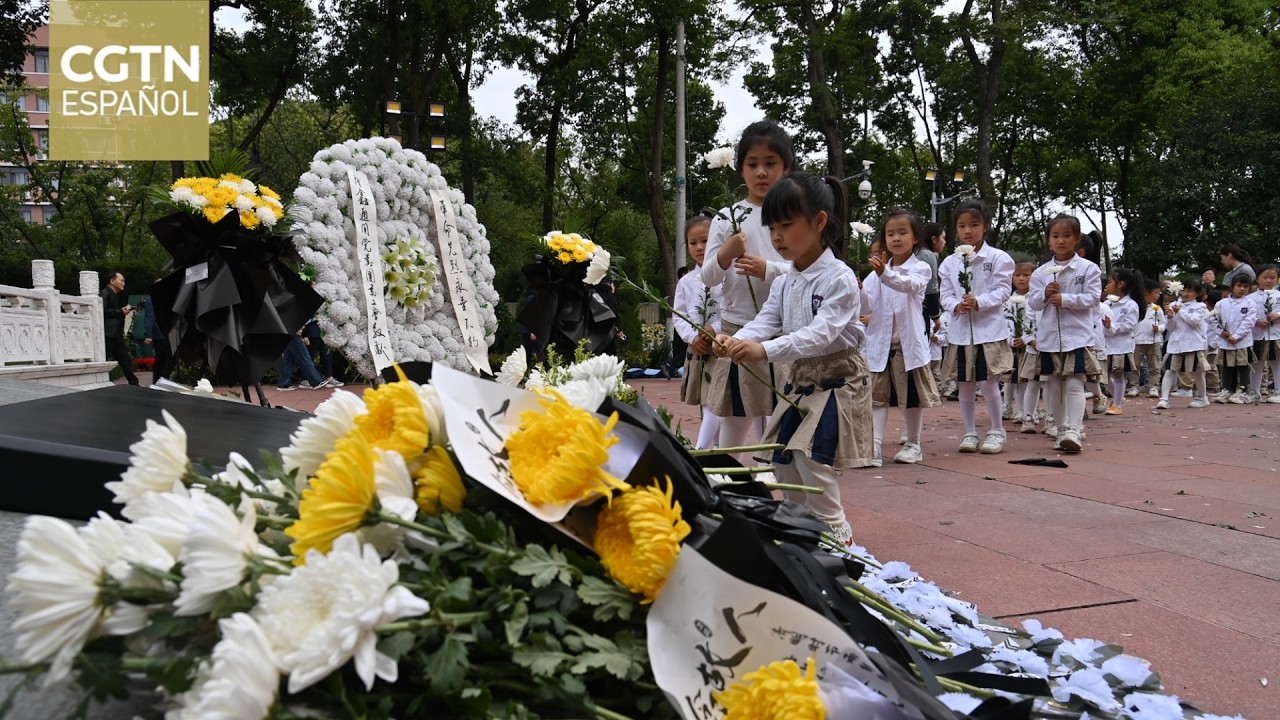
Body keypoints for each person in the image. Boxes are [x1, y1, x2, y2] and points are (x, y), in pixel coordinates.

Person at [714, 171, 874, 546]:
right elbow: (767, 319)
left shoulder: (840, 278)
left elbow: (820, 336)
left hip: (838, 379)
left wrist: (764, 350)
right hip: (799, 379)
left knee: (812, 458)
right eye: (772, 229)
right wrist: (734, 340)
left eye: (786, 225)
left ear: (819, 222)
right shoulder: (786, 279)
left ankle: (837, 538)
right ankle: (801, 533)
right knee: (784, 461)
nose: (777, 238)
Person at [700, 120, 794, 458]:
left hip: (782, 329)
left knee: (780, 407)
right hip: (737, 328)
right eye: (752, 164)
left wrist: (767, 269)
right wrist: (726, 252)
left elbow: (805, 269)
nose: (761, 172)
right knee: (735, 410)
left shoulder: (792, 216)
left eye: (771, 163)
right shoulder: (727, 218)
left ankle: (775, 467)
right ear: (740, 169)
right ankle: (730, 474)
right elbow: (708, 277)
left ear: (786, 167)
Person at [938, 198, 1015, 454]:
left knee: (989, 383)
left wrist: (979, 301)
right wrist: (955, 305)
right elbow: (945, 293)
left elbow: (1004, 290)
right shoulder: (950, 262)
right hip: (961, 333)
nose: (967, 231)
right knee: (965, 384)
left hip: (989, 330)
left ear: (986, 226)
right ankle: (969, 432)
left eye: (973, 225)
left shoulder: (998, 258)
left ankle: (997, 430)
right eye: (962, 226)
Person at [863, 208, 939, 466]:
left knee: (911, 397)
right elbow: (866, 306)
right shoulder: (876, 274)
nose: (895, 238)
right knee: (876, 398)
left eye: (902, 232)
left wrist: (884, 273)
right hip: (879, 345)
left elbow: (909, 286)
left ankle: (913, 443)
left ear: (915, 237)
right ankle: (873, 447)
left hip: (908, 344)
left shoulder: (920, 268)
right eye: (890, 234)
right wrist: (857, 287)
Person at [1027, 215, 1102, 453]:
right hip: (1050, 338)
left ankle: (1073, 429)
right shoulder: (1041, 273)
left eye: (1067, 236)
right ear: (1049, 240)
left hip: (1078, 336)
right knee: (1053, 386)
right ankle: (1060, 429)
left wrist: (1066, 299)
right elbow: (1033, 304)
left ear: (1077, 239)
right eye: (1056, 236)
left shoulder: (1088, 268)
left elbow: (1092, 298)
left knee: (1074, 383)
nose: (1061, 241)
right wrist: (1045, 294)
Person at [673, 209, 723, 449]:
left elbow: (733, 310)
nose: (700, 247)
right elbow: (679, 314)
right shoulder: (686, 282)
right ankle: (716, 452)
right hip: (698, 350)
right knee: (707, 402)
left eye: (705, 241)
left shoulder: (728, 276)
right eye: (693, 242)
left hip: (723, 349)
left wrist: (714, 329)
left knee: (718, 402)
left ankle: (701, 451)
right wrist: (694, 337)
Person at [1155, 278, 1209, 410]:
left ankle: (1202, 397)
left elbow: (1194, 321)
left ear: (1197, 293)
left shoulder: (1200, 307)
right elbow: (1171, 327)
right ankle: (1164, 399)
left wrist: (1180, 311)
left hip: (1193, 344)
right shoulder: (1174, 304)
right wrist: (1170, 316)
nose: (1186, 293)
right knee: (1170, 370)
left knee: (1197, 372)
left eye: (1190, 291)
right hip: (1176, 344)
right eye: (1184, 290)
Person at [1101, 269, 1144, 415]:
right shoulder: (1107, 303)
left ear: (1120, 284)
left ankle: (1117, 405)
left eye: (1110, 282)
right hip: (1106, 344)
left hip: (1121, 345)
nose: (1107, 286)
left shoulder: (1131, 305)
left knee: (1118, 374)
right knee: (1104, 376)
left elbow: (1130, 325)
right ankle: (1117, 397)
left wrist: (1111, 327)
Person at [1005, 262, 1038, 431]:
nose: (1021, 279)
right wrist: (1012, 339)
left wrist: (1027, 338)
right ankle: (1017, 408)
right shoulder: (1007, 301)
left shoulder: (1036, 299)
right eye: (1017, 275)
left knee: (1030, 380)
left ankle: (1030, 410)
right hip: (1012, 345)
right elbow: (1004, 323)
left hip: (1031, 345)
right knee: (1015, 379)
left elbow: (1034, 321)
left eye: (1026, 275)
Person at [1215, 274, 1257, 404]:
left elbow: (1249, 322)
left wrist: (1236, 336)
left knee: (1243, 365)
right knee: (1227, 365)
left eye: (1245, 286)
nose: (1242, 289)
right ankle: (1227, 389)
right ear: (1232, 286)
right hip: (1226, 341)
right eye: (1239, 286)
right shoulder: (1221, 303)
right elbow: (1213, 319)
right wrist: (1222, 332)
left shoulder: (1250, 303)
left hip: (1242, 342)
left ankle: (1243, 389)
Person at [100, 271, 139, 386]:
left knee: (125, 361)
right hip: (108, 334)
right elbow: (101, 310)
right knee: (103, 361)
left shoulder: (113, 294)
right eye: (121, 280)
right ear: (112, 281)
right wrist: (120, 312)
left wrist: (120, 312)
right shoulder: (105, 293)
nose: (123, 283)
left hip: (116, 335)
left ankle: (134, 384)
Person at [277, 325, 342, 391]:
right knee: (304, 358)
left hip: (290, 333)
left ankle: (283, 383)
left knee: (289, 360)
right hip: (294, 334)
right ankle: (316, 381)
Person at [1249, 264, 1280, 403]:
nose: (1268, 280)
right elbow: (1245, 315)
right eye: (1265, 277)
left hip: (1276, 335)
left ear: (1277, 279)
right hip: (1258, 335)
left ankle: (1278, 392)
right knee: (1256, 364)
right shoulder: (1251, 298)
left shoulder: (1279, 295)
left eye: (1272, 278)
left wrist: (1278, 315)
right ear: (1257, 279)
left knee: (1276, 363)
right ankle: (1254, 391)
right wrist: (1256, 321)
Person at [1132, 278, 1165, 398]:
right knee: (1135, 365)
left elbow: (1163, 323)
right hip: (1137, 340)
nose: (1158, 296)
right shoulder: (1136, 307)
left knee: (1154, 365)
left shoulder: (1157, 309)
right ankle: (1133, 386)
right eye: (1155, 293)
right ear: (1146, 293)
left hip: (1153, 340)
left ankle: (1153, 386)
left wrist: (1159, 328)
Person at [142, 297, 177, 383]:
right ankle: (163, 380)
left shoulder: (160, 298)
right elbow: (150, 317)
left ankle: (158, 382)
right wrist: (149, 335)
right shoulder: (153, 299)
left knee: (161, 360)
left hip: (163, 333)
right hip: (160, 334)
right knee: (171, 357)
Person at [918, 221, 944, 334]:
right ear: (934, 239)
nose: (944, 242)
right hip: (921, 310)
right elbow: (931, 289)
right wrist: (936, 317)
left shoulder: (915, 253)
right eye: (943, 238)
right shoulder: (928, 256)